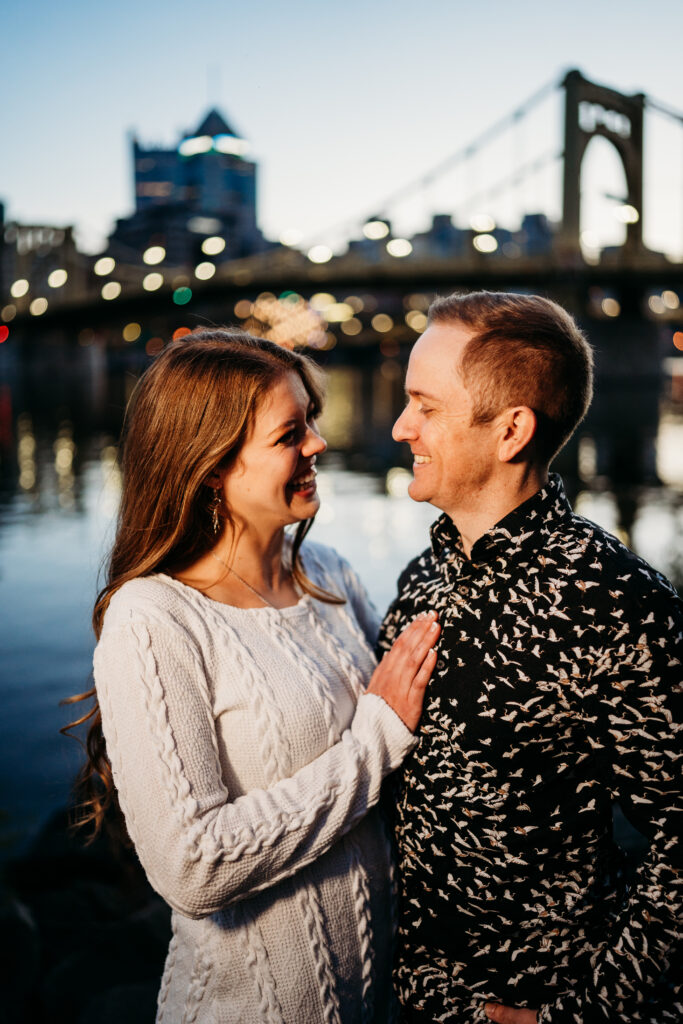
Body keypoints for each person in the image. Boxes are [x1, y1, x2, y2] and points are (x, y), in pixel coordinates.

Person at [68, 328, 441, 1023]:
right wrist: (372, 744)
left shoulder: (329, 574)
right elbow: (192, 868)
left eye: (312, 422)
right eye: (287, 434)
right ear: (212, 466)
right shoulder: (154, 619)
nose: (316, 446)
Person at [378, 291, 682, 1023]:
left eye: (425, 406)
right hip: (411, 996)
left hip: (536, 1000)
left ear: (511, 429)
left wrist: (584, 1012)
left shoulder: (614, 602)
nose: (399, 427)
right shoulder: (423, 577)